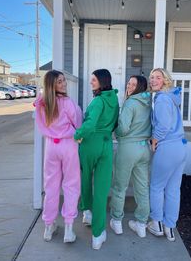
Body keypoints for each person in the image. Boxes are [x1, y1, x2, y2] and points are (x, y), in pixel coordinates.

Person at [33, 70, 82, 243]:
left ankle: (49, 226)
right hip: (68, 144)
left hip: (51, 147)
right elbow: (78, 123)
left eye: (63, 80)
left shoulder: (42, 104)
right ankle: (68, 227)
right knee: (71, 185)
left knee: (51, 186)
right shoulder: (68, 103)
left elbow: (40, 123)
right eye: (59, 81)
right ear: (52, 85)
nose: (64, 83)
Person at [74, 69, 119, 250]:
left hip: (90, 142)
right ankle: (98, 234)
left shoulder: (98, 101)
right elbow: (116, 122)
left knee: (85, 178)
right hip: (107, 144)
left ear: (102, 81)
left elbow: (90, 124)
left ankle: (87, 212)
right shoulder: (114, 99)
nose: (91, 82)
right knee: (101, 189)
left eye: (94, 79)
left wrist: (77, 134)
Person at [147, 68, 187, 242]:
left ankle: (156, 224)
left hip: (168, 147)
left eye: (157, 77)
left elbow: (163, 126)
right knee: (172, 189)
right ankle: (170, 227)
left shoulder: (163, 99)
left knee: (156, 187)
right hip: (181, 146)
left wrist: (154, 141)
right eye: (151, 77)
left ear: (165, 80)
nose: (153, 80)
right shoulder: (171, 97)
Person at [110, 75, 152, 238]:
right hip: (144, 149)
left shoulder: (130, 102)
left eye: (133, 84)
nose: (129, 86)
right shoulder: (148, 103)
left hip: (128, 148)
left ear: (140, 87)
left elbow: (124, 128)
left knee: (120, 187)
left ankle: (117, 221)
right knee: (142, 188)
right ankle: (141, 224)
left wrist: (116, 133)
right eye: (129, 83)